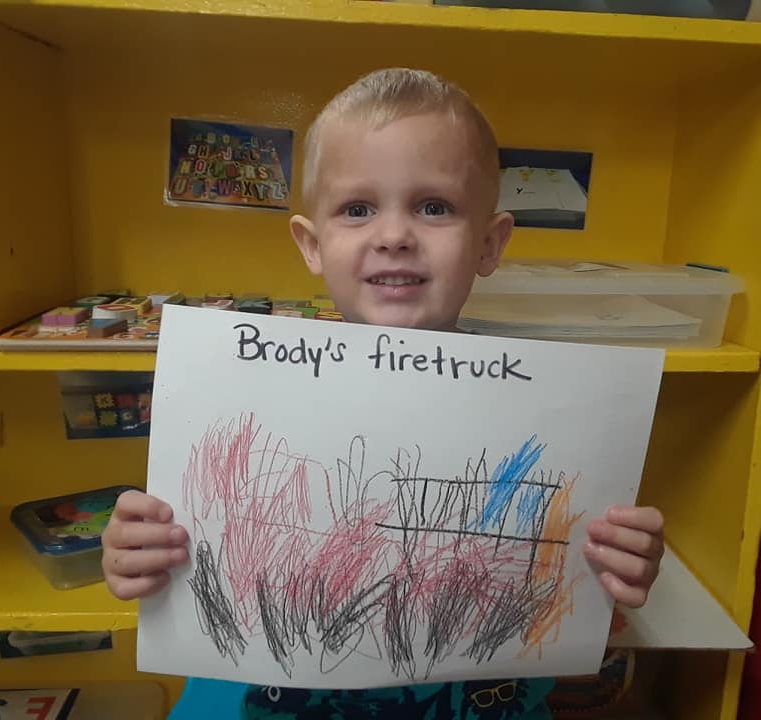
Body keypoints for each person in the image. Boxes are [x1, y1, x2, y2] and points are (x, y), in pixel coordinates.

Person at [102, 67, 665, 719]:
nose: (394, 233)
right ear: (312, 245)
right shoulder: (239, 391)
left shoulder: (554, 419)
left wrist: (617, 569)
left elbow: (578, 589)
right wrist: (137, 555)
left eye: (434, 207)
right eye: (358, 208)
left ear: (489, 243)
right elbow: (174, 554)